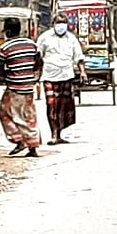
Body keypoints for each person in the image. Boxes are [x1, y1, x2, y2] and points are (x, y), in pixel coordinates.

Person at [37, 14, 86, 145]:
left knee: (65, 107)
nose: (61, 25)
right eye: (58, 22)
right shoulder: (44, 38)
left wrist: (82, 72)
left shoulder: (71, 38)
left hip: (66, 75)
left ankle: (59, 134)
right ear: (53, 24)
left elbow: (79, 57)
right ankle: (53, 134)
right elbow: (38, 56)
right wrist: (36, 74)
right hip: (49, 76)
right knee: (52, 105)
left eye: (63, 22)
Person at [0, 17, 42, 157]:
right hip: (29, 85)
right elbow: (39, 62)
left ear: (8, 31)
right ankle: (30, 144)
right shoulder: (31, 44)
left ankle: (22, 141)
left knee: (9, 115)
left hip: (15, 87)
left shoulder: (5, 48)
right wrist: (33, 75)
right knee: (29, 116)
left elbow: (0, 69)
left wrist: (2, 77)